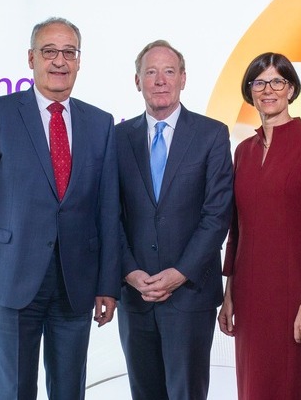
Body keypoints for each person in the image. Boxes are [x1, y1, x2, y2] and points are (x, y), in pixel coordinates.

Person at [0, 17, 120, 400]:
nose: (59, 61)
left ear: (79, 61)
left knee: (70, 392)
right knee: (14, 391)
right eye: (49, 52)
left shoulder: (100, 123)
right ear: (31, 59)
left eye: (69, 52)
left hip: (75, 286)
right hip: (10, 283)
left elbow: (108, 212)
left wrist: (107, 284)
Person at [217, 52, 301, 399]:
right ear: (250, 91)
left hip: (296, 296)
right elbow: (237, 231)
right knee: (254, 388)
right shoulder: (243, 152)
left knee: (294, 388)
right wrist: (229, 295)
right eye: (259, 82)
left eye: (277, 81)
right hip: (249, 297)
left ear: (291, 89)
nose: (268, 90)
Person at [116, 39, 233, 400]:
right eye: (151, 72)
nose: (160, 80)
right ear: (137, 81)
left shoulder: (212, 134)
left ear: (183, 78)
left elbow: (217, 214)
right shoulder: (117, 138)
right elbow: (109, 215)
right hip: (135, 296)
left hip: (190, 295)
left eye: (169, 71)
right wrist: (129, 272)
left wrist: (180, 273)